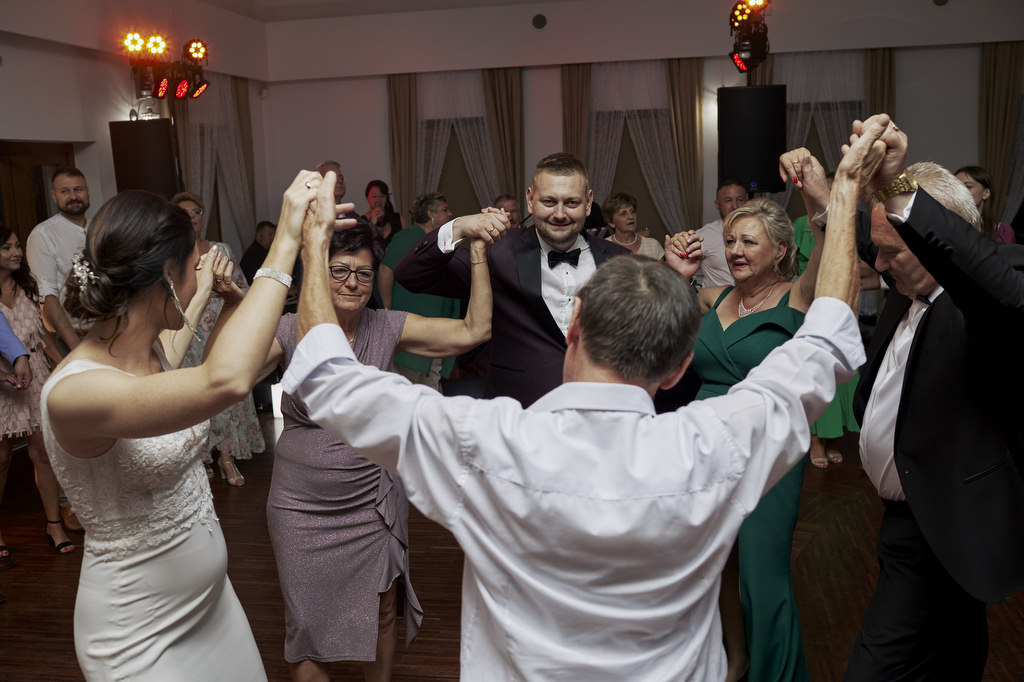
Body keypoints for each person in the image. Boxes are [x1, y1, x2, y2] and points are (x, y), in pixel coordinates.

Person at [277, 123, 883, 678]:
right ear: (678, 367)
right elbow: (827, 340)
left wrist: (309, 246)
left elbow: (328, 376)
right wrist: (843, 192)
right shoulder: (715, 444)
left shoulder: (483, 444)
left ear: (573, 332)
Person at [39, 169, 333, 681]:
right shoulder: (76, 392)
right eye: (194, 266)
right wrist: (288, 239)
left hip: (214, 607)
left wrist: (229, 301)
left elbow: (220, 354)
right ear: (168, 276)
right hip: (138, 632)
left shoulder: (152, 353)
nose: (199, 277)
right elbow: (226, 380)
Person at [813, 116, 1024, 680]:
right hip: (908, 524)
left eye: (891, 254)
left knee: (874, 667)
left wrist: (897, 182)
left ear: (937, 240)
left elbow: (1007, 290)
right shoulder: (908, 283)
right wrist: (832, 188)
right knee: (953, 656)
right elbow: (871, 240)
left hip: (945, 522)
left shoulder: (980, 302)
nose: (878, 266)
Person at [262, 221, 493, 682]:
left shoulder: (387, 326)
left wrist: (479, 250)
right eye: (340, 271)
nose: (352, 282)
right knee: (305, 622)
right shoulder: (288, 329)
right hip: (299, 505)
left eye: (364, 274)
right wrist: (236, 304)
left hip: (372, 500)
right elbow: (229, 372)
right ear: (318, 272)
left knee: (383, 608)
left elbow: (475, 329)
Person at [667, 186, 827, 681]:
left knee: (762, 573)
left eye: (749, 242)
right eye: (731, 241)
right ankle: (734, 660)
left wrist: (820, 198)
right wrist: (678, 276)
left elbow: (828, 248)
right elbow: (658, 325)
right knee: (715, 564)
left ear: (779, 251)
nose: (735, 250)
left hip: (769, 443)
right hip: (707, 441)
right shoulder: (712, 297)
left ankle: (776, 673)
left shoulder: (800, 294)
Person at [394, 152, 628, 406]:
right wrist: (458, 226)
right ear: (530, 200)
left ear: (588, 202)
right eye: (549, 202)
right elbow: (411, 275)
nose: (559, 214)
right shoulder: (499, 253)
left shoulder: (621, 261)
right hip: (517, 413)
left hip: (598, 410)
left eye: (571, 203)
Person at [172, 192, 265, 486]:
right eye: (184, 213)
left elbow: (241, 286)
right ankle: (202, 456)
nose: (191, 217)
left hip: (222, 326)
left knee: (225, 387)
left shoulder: (220, 249)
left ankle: (226, 456)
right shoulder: (169, 254)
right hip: (187, 331)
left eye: (196, 211)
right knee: (196, 395)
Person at [0, 226, 70, 566]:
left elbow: (43, 338)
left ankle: (54, 524)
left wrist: (68, 366)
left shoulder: (29, 287)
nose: (16, 252)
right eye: (6, 247)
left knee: (43, 453)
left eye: (17, 246)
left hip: (37, 375)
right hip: (3, 382)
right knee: (1, 460)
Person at [26, 167, 89, 531]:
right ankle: (69, 504)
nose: (73, 196)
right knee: (71, 425)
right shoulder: (43, 235)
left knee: (104, 418)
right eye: (65, 191)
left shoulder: (99, 227)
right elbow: (47, 297)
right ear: (54, 196)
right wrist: (75, 349)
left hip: (106, 334)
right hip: (69, 338)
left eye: (78, 189)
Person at [378, 192, 460, 390]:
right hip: (413, 325)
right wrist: (388, 308)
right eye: (444, 210)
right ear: (430, 214)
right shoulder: (409, 236)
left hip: (437, 328)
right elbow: (385, 269)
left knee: (431, 382)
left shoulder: (439, 239)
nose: (450, 214)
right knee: (409, 384)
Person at [694, 179, 748, 288]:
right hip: (716, 298)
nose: (735, 206)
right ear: (717, 204)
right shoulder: (703, 236)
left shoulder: (759, 233)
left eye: (740, 200)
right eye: (728, 200)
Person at [954, 165, 1015, 243]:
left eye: (968, 186)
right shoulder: (947, 225)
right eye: (956, 187)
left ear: (986, 193)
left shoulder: (1003, 231)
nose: (960, 191)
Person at [602, 192, 665, 260]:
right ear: (611, 223)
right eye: (623, 214)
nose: (631, 216)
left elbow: (662, 267)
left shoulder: (653, 245)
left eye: (632, 211)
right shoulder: (603, 247)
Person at [363, 180, 403, 244]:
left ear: (386, 198)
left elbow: (406, 242)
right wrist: (372, 223)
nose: (378, 200)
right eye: (374, 196)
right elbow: (363, 244)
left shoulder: (397, 218)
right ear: (367, 198)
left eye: (382, 196)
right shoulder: (361, 221)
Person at [241, 220, 277, 284]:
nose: (273, 237)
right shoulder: (254, 255)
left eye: (274, 234)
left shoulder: (263, 251)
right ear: (259, 236)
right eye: (270, 234)